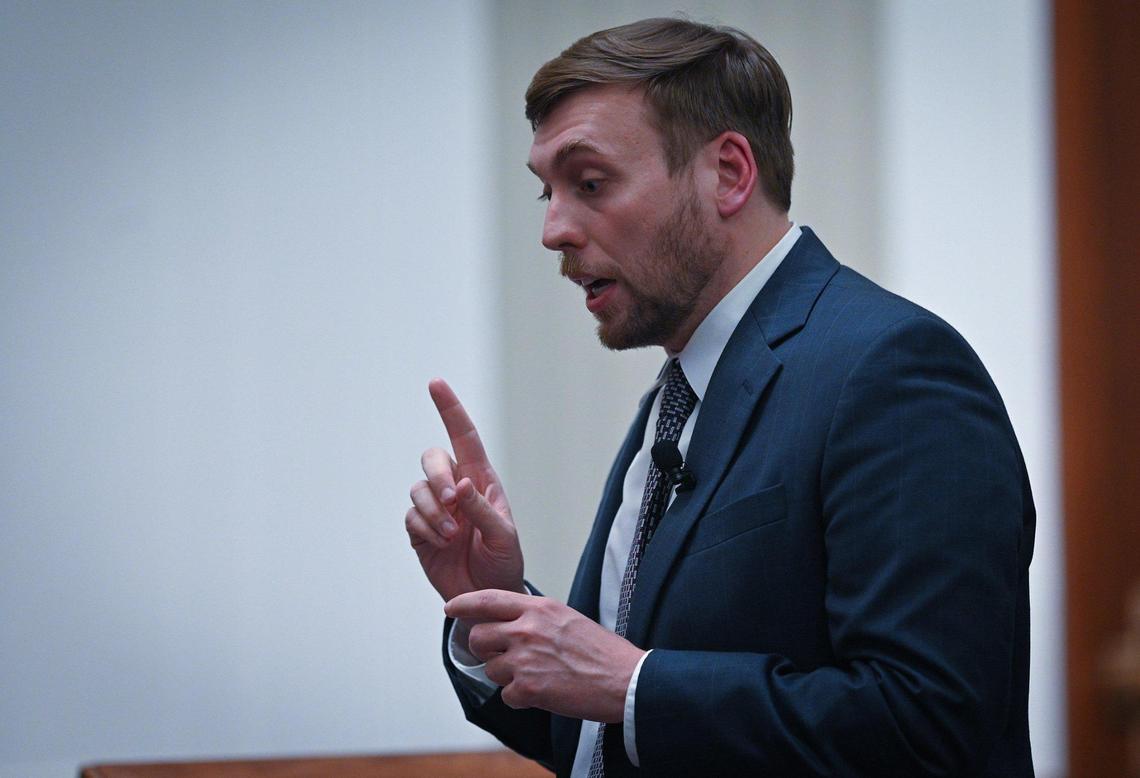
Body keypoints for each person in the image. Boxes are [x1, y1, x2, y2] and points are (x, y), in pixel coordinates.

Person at [404, 17, 1035, 778]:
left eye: (590, 183)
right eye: (547, 191)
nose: (553, 230)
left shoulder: (892, 371)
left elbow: (930, 723)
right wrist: (499, 608)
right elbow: (606, 739)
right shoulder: (672, 402)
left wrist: (633, 684)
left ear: (729, 173)